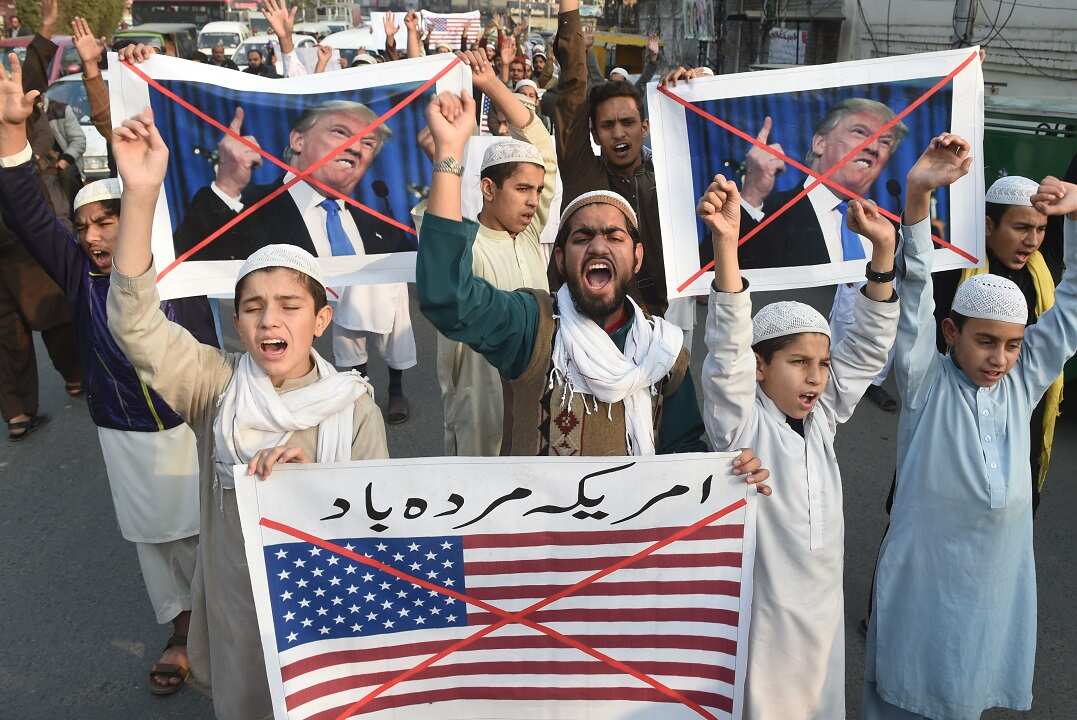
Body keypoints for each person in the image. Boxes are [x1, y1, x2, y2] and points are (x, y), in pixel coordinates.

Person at [107, 106, 389, 718]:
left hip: (328, 609)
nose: (270, 321)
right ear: (236, 322)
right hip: (241, 606)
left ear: (319, 321)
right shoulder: (217, 387)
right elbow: (134, 323)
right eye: (254, 306)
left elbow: (379, 522)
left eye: (290, 305)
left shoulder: (355, 408)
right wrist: (141, 192)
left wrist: (313, 472)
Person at [0, 54, 222, 693]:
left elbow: (172, 168)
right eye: (84, 226)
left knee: (210, 535)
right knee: (156, 543)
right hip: (123, 428)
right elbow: (24, 209)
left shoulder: (182, 260)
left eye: (108, 219)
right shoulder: (76, 273)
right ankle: (182, 634)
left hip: (194, 419)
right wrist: (13, 133)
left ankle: (224, 628)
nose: (95, 236)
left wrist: (134, 89)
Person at [863, 136, 1077, 719]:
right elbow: (914, 292)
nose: (999, 358)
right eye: (985, 341)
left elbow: (1073, 308)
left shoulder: (1020, 386)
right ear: (952, 334)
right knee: (904, 687)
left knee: (969, 683)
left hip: (992, 577)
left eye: (1011, 345)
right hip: (923, 575)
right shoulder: (924, 381)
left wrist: (1076, 216)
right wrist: (916, 196)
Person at [418, 87, 723, 459]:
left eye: (614, 236)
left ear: (637, 257)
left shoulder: (665, 351)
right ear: (560, 258)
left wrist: (732, 474)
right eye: (582, 237)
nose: (598, 247)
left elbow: (685, 453)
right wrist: (448, 153)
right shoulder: (535, 327)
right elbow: (448, 297)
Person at [698, 172, 898, 718]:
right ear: (760, 367)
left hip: (822, 622)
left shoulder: (823, 418)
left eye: (822, 365)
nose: (816, 378)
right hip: (764, 622)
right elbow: (726, 350)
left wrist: (882, 255)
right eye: (798, 363)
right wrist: (725, 244)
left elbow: (866, 352)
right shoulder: (741, 426)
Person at [414, 50, 556, 457]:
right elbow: (440, 265)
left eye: (537, 191)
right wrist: (449, 151)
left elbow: (542, 147)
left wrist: (492, 84)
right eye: (522, 189)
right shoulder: (460, 242)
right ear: (489, 190)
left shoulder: (529, 236)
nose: (533, 202)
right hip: (479, 400)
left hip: (534, 396)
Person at [550, 0, 707, 317]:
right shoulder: (586, 179)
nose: (619, 133)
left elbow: (711, 145)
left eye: (628, 123)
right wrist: (569, 12)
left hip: (670, 319)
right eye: (607, 126)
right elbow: (572, 92)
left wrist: (696, 88)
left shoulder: (670, 173)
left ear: (645, 127)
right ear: (593, 134)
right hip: (594, 323)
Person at [931, 175, 1059, 513]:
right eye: (1021, 228)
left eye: (1041, 229)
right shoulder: (952, 270)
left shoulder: (1043, 276)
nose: (1033, 241)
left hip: (1019, 423)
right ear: (989, 225)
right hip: (953, 418)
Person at [730, 100, 908, 269]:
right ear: (820, 144)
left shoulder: (891, 231)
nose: (874, 148)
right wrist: (752, 193)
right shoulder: (766, 212)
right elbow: (714, 282)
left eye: (885, 142)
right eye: (860, 132)